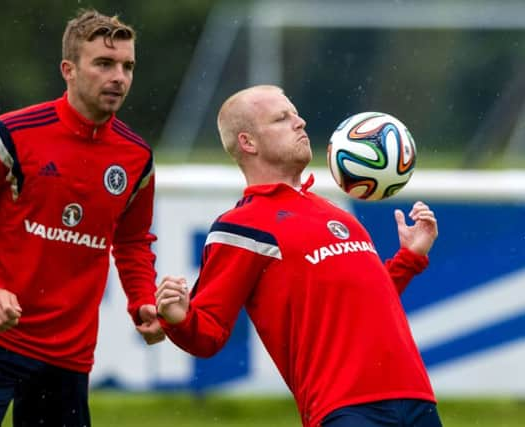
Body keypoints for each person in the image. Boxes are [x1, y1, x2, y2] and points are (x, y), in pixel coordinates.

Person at [155, 85, 442, 427]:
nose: (300, 122)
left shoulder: (337, 214)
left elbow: (371, 301)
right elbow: (208, 335)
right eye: (282, 118)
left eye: (295, 113)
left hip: (416, 398)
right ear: (248, 143)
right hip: (346, 410)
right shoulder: (240, 226)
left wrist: (409, 258)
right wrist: (177, 317)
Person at [0, 8, 163, 427]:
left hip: (69, 351)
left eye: (127, 66)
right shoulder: (8, 135)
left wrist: (143, 302)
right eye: (104, 63)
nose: (119, 77)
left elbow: (132, 241)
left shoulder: (136, 158)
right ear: (69, 69)